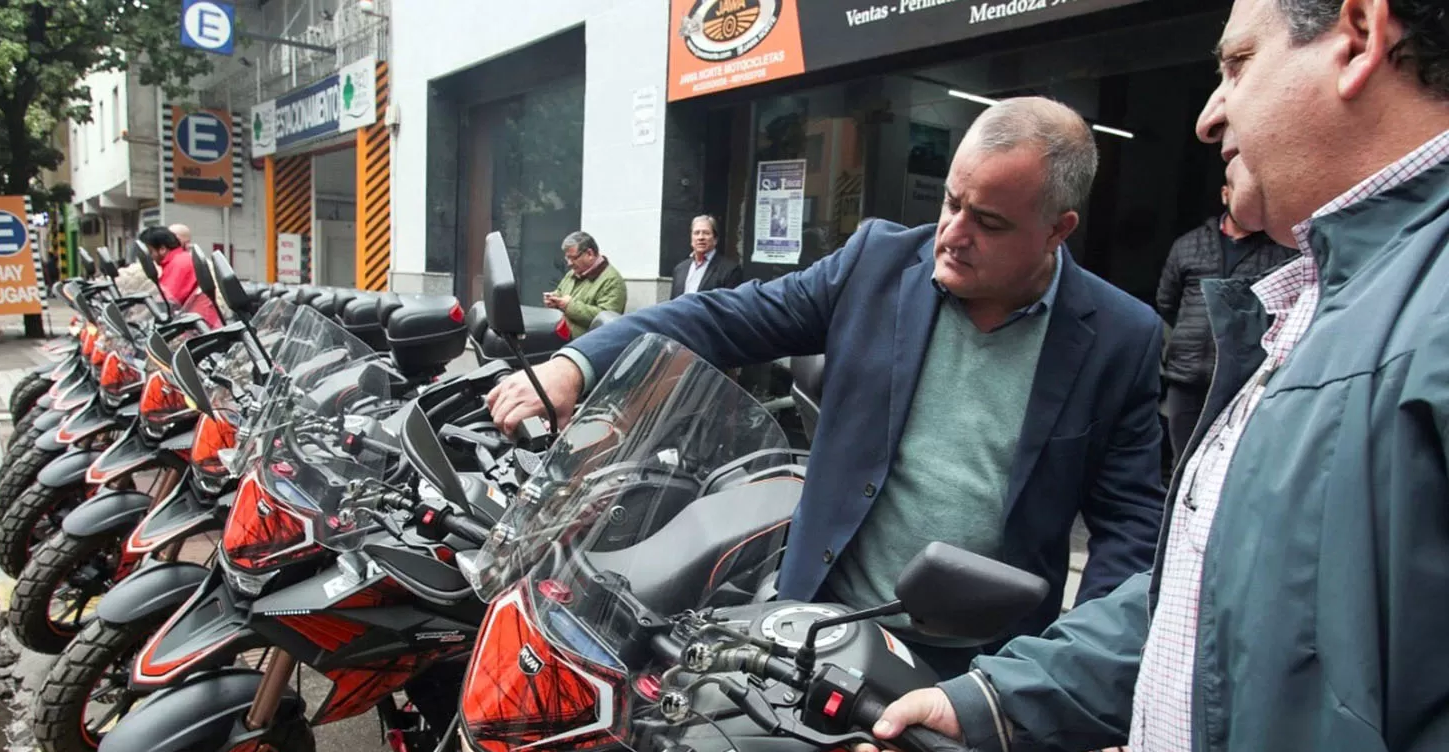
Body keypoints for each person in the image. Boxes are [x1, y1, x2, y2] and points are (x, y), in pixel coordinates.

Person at [853, 3, 1449, 752]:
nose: (1209, 114)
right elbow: (1212, 602)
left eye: (1237, 63)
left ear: (1358, 35)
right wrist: (985, 704)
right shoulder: (1329, 309)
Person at [490, 97, 1166, 682]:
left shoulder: (1121, 337)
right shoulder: (876, 263)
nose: (952, 235)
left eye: (988, 223)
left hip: (986, 667)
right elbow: (723, 317)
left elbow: (1131, 528)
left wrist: (1082, 674)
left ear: (1058, 229)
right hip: (819, 623)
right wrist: (577, 365)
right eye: (951, 202)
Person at [1155, 185, 1296, 457]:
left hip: (1242, 379)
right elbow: (1167, 302)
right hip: (1188, 373)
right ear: (1224, 194)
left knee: (1227, 461)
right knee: (1181, 461)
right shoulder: (1189, 244)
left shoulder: (1279, 252)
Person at [543, 231, 626, 337]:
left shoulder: (612, 280)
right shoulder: (574, 272)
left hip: (588, 346)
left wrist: (569, 306)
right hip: (564, 339)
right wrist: (554, 299)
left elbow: (607, 319)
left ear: (590, 254)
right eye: (567, 258)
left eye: (573, 258)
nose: (569, 263)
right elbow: (561, 291)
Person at [137, 227, 221, 328]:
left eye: (150, 252)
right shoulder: (176, 261)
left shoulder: (180, 263)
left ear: (162, 249)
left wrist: (139, 317)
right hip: (193, 323)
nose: (149, 258)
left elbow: (167, 302)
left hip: (199, 329)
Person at [673, 215, 745, 297]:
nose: (700, 237)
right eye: (696, 233)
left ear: (715, 239)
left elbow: (729, 306)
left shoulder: (730, 271)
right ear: (691, 238)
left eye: (706, 233)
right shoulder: (680, 269)